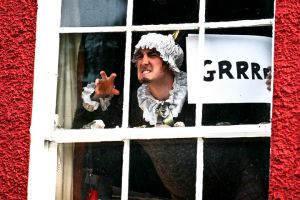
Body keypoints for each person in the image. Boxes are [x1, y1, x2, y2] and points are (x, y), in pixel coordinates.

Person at [76, 33, 271, 199]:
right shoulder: (132, 104)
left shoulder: (202, 89)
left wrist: (270, 86)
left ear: (169, 60)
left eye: (152, 54)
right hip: (181, 194)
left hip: (238, 182)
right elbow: (82, 130)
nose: (144, 61)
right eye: (140, 55)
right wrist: (97, 97)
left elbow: (246, 116)